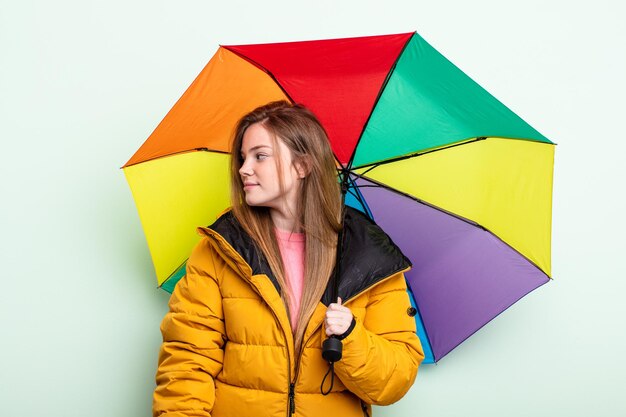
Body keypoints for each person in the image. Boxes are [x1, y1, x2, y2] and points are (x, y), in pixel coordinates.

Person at [153, 101, 424, 417]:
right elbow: (188, 362)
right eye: (243, 157)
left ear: (302, 166)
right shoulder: (220, 250)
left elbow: (393, 383)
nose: (243, 168)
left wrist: (351, 337)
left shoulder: (370, 257)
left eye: (260, 156)